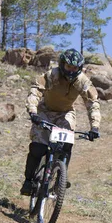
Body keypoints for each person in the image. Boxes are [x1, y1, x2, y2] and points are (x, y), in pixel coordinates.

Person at [21, 48, 101, 195]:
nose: (71, 71)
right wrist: (33, 112)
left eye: (75, 68)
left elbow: (92, 103)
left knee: (66, 146)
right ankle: (28, 181)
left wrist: (94, 127)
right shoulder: (52, 75)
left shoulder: (82, 81)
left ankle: (60, 180)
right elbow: (36, 90)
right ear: (62, 64)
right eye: (68, 67)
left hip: (65, 113)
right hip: (45, 110)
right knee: (38, 148)